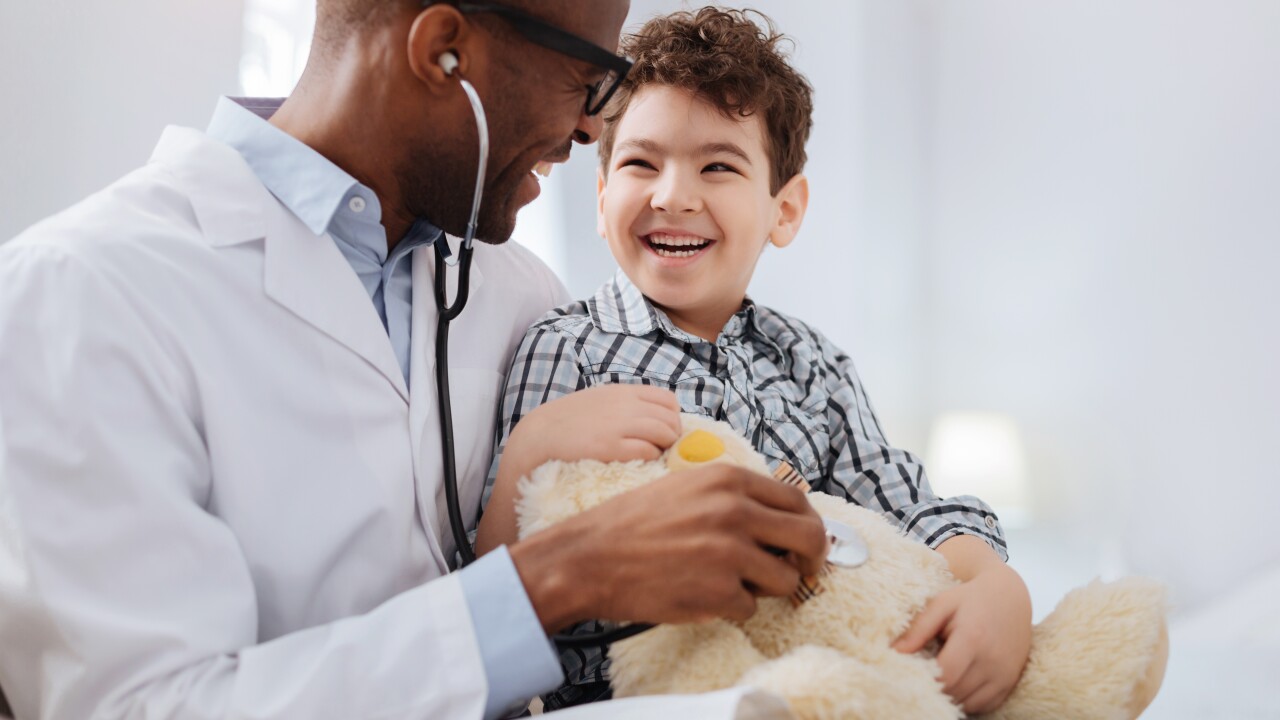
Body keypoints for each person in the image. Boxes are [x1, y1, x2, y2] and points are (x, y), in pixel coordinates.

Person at [0, 2, 831, 718]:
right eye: (590, 78)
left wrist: (963, 574)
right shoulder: (82, 292)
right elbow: (142, 707)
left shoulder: (521, 295)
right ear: (444, 50)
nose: (591, 126)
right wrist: (552, 581)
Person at [475, 7, 1034, 715]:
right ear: (601, 194)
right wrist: (530, 452)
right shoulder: (564, 348)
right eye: (641, 162)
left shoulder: (812, 364)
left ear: (784, 212)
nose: (673, 195)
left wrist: (994, 584)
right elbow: (494, 594)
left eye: (718, 166)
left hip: (813, 683)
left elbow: (905, 506)